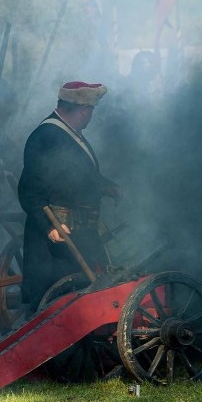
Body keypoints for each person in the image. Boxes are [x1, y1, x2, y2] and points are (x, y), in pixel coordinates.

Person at [17, 81, 120, 311]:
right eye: (91, 110)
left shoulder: (72, 134)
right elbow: (29, 191)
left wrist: (108, 187)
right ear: (84, 109)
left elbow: (79, 177)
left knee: (83, 302)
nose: (91, 115)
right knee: (53, 306)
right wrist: (49, 227)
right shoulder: (45, 136)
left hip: (81, 235)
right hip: (55, 244)